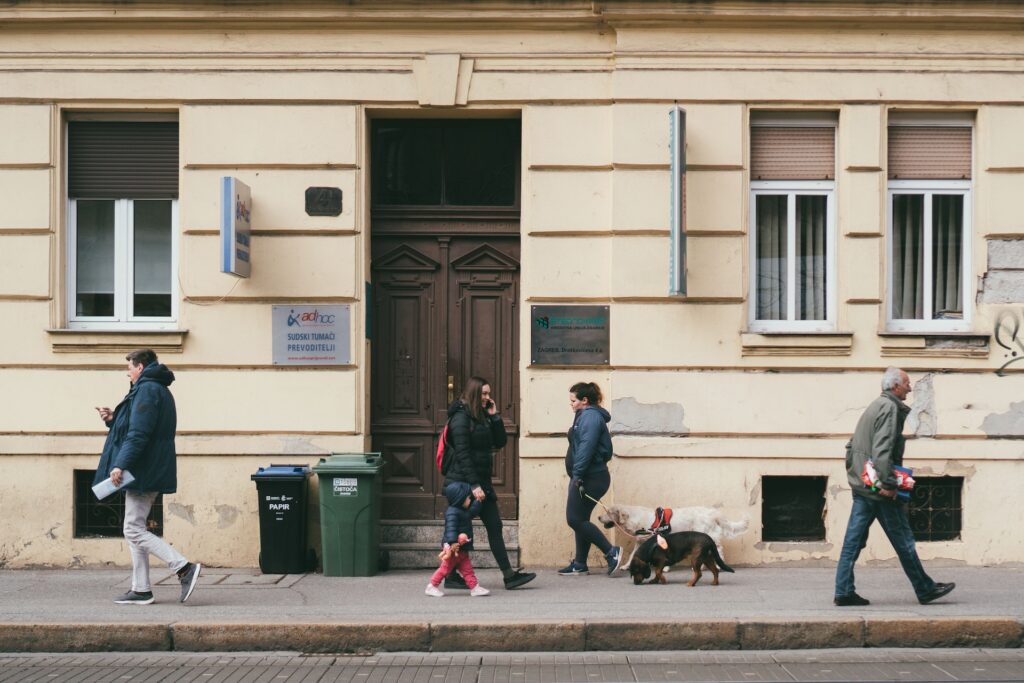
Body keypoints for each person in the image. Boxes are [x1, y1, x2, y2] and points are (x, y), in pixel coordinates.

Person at [834, 367, 955, 606]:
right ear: (895, 386)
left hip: (863, 485)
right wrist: (888, 484)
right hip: (879, 490)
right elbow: (882, 451)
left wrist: (862, 477)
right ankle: (925, 589)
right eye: (907, 383)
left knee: (853, 541)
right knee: (903, 540)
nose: (910, 388)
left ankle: (844, 591)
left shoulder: (876, 405)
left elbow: (853, 445)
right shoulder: (889, 408)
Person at [93, 349, 201, 605]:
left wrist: (120, 464)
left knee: (132, 528)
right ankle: (141, 589)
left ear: (140, 367)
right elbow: (135, 426)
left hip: (143, 468)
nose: (127, 372)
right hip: (146, 467)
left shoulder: (147, 390)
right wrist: (113, 419)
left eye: (130, 367)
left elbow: (139, 434)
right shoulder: (149, 389)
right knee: (135, 528)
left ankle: (183, 567)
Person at [444, 376, 536, 590]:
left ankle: (509, 576)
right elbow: (463, 454)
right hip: (463, 484)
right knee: (458, 530)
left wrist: (494, 417)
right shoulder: (460, 419)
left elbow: (500, 441)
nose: (488, 397)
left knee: (494, 526)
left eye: (488, 393)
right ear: (474, 393)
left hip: (480, 482)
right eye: (484, 394)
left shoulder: (481, 416)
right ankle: (450, 575)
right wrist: (474, 485)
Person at [558, 381, 622, 576]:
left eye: (573, 400)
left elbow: (586, 448)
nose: (571, 404)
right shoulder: (584, 415)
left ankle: (611, 552)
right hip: (587, 475)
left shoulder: (590, 417)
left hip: (590, 477)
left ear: (584, 400)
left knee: (574, 519)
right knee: (581, 519)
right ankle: (580, 563)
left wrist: (577, 476)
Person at [425, 481, 489, 597]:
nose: (470, 500)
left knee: (467, 569)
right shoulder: (452, 513)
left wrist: (478, 502)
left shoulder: (462, 510)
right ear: (459, 499)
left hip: (461, 548)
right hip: (454, 549)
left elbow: (471, 513)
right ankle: (432, 586)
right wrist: (453, 542)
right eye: (468, 498)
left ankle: (474, 587)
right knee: (445, 569)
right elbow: (450, 528)